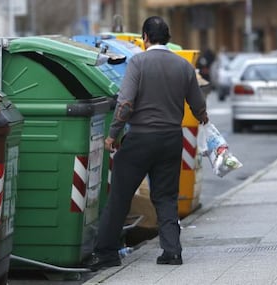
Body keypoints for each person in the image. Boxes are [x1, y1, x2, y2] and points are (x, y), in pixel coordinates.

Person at [84, 16, 209, 272]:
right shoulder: (183, 66)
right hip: (172, 139)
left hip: (140, 139)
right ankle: (172, 251)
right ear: (168, 38)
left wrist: (112, 134)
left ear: (145, 37)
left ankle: (106, 253)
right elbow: (198, 106)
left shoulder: (138, 62)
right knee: (166, 196)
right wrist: (205, 122)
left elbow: (126, 103)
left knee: (120, 196)